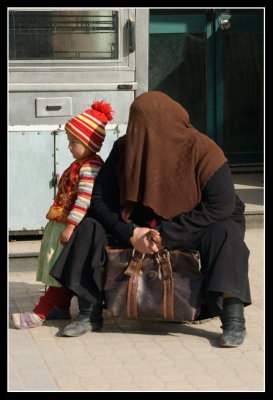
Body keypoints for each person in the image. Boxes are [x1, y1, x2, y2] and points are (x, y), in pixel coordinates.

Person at [50, 91, 251, 347]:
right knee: (89, 227)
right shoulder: (126, 147)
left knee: (226, 233)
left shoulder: (204, 150)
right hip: (137, 226)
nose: (137, 132)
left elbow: (220, 206)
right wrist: (131, 233)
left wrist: (165, 234)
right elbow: (100, 200)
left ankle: (233, 319)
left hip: (190, 226)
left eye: (142, 126)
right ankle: (89, 313)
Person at [11, 100, 114, 329]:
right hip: (62, 224)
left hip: (71, 227)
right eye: (68, 141)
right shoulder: (81, 163)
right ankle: (61, 308)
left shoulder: (90, 167)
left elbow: (84, 201)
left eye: (73, 142)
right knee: (59, 269)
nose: (69, 146)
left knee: (59, 271)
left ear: (88, 142)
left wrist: (70, 226)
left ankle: (39, 313)